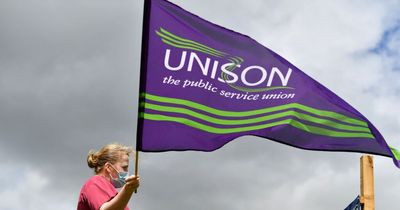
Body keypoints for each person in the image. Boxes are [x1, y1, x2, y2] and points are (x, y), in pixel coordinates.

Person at [77, 143, 140, 210]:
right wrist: (128, 189)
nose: (127, 172)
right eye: (124, 167)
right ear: (109, 167)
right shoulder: (94, 182)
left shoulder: (116, 196)